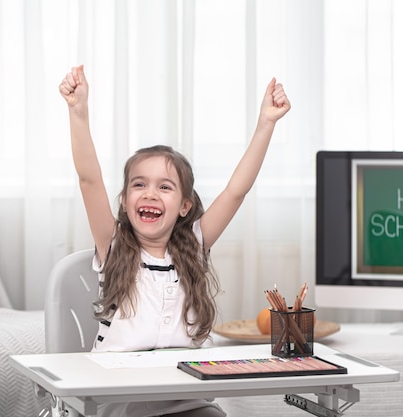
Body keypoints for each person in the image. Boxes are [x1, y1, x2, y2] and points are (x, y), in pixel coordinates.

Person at [58, 65, 290, 417]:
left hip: (183, 397)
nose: (149, 193)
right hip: (121, 399)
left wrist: (265, 125)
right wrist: (78, 112)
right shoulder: (115, 245)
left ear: (184, 206)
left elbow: (236, 191)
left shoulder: (195, 245)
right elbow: (89, 179)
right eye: (139, 184)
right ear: (124, 200)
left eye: (164, 187)